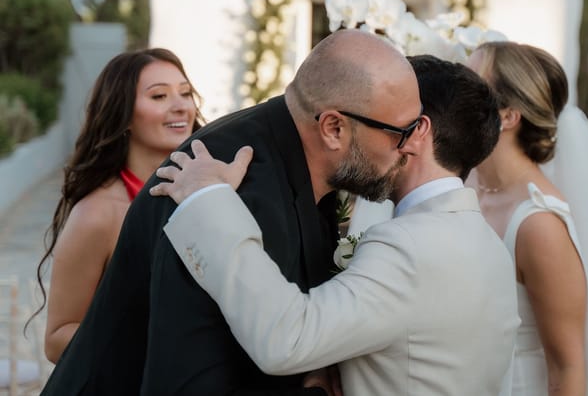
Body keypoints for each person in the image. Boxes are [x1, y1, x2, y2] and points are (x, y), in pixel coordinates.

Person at [40, 29, 424, 396]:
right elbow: (190, 385)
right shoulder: (233, 194)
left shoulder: (286, 164)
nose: (411, 148)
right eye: (401, 132)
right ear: (333, 128)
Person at [150, 55, 520, 396]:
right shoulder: (488, 244)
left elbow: (287, 340)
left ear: (416, 132)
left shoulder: (410, 246)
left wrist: (209, 201)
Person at [466, 41, 588, 395]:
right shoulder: (464, 184)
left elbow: (568, 367)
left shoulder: (539, 225)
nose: (455, 94)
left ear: (508, 115)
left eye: (470, 85)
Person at [30, 48, 202, 363]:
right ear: (123, 115)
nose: (180, 107)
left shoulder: (208, 192)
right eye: (159, 96)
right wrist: (158, 344)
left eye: (186, 93)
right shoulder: (98, 214)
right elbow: (56, 340)